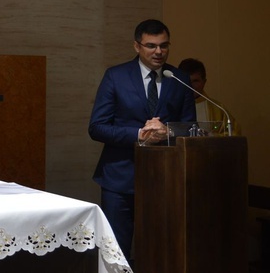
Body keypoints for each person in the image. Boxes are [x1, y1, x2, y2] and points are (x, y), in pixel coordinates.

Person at [89, 19, 196, 262]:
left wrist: (167, 132)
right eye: (151, 46)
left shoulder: (178, 78)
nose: (159, 52)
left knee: (161, 250)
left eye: (164, 46)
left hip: (166, 179)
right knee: (117, 252)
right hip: (120, 179)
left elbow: (191, 127)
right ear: (137, 46)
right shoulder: (116, 76)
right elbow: (97, 127)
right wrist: (140, 134)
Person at [178, 58, 238, 135]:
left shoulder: (218, 109)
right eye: (186, 81)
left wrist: (211, 136)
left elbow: (233, 133)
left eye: (195, 81)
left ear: (204, 82)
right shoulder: (171, 106)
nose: (191, 86)